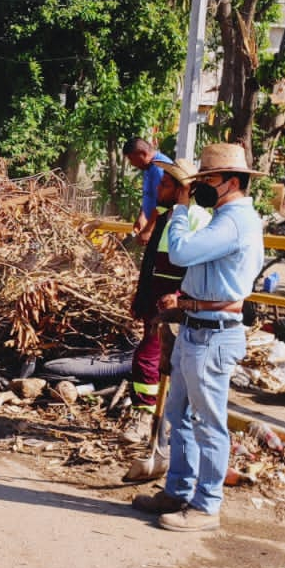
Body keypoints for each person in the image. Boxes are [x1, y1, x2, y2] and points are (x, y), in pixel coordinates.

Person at [132, 143, 266, 532]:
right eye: (199, 180)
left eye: (208, 179)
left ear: (230, 182)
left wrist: (180, 209)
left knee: (208, 423)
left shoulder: (233, 222)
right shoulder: (223, 217)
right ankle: (178, 491)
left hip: (213, 335)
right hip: (199, 327)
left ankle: (206, 506)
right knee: (180, 417)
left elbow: (179, 252)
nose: (202, 185)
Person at [119, 158, 208, 450]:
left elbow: (199, 266)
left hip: (175, 305)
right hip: (155, 300)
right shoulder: (167, 216)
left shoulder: (197, 219)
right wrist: (142, 297)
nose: (159, 186)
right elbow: (152, 264)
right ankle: (153, 418)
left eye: (166, 184)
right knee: (153, 358)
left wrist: (180, 298)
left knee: (151, 358)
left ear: (184, 190)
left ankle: (147, 418)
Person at [123, 137, 173, 245]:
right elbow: (149, 195)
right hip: (155, 225)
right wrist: (142, 216)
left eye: (132, 159)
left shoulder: (160, 169)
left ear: (143, 153)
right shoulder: (148, 166)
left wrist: (149, 229)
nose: (132, 164)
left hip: (162, 228)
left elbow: (162, 205)